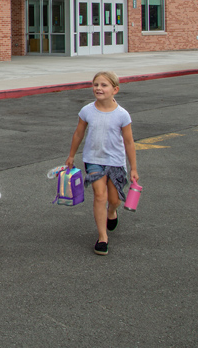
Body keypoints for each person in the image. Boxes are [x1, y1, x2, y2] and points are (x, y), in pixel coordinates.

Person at [65, 70, 139, 256]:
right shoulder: (87, 111)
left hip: (115, 161)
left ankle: (112, 212)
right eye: (96, 84)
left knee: (113, 200)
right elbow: (79, 133)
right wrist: (71, 155)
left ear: (115, 89)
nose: (98, 88)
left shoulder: (122, 115)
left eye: (104, 85)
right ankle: (102, 237)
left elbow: (129, 142)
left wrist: (133, 168)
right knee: (100, 196)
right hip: (93, 160)